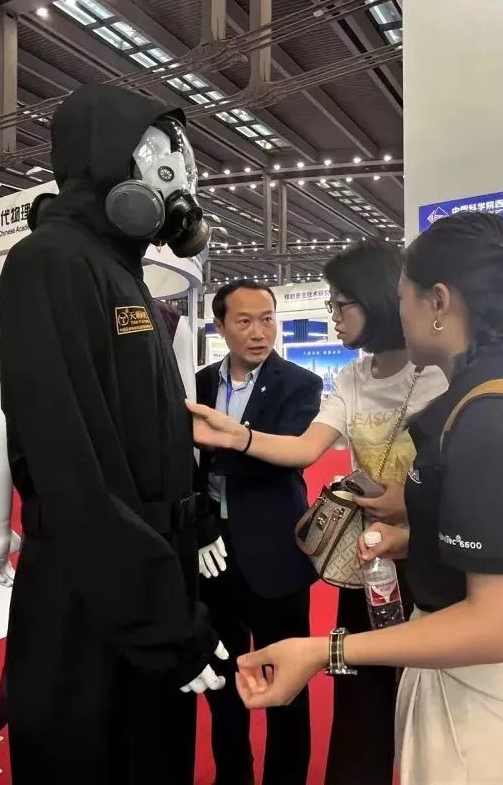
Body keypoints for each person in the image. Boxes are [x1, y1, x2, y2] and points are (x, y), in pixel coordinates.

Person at [230, 212, 503, 784]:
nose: (399, 313)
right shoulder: (485, 402)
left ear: (437, 302)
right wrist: (409, 539)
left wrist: (325, 652)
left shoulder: (490, 421)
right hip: (463, 686)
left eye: (403, 297)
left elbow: (497, 626)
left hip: (484, 710)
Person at [0, 84, 226, 783]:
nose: (179, 183)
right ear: (107, 161)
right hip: (98, 602)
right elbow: (72, 469)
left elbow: (149, 424)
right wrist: (163, 623)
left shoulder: (121, 275)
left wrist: (194, 519)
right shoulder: (50, 262)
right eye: (162, 162)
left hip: (142, 583)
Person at [187, 241, 448, 785]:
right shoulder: (350, 378)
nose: (332, 316)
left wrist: (412, 503)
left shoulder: (442, 377)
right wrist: (240, 437)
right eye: (245, 320)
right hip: (364, 563)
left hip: (431, 560)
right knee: (358, 698)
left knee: (433, 701)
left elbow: (469, 482)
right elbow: (306, 448)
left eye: (340, 304)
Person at [194, 279, 322, 785]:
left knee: (287, 684)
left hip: (275, 553)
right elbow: (185, 464)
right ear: (220, 325)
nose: (259, 332)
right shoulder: (201, 383)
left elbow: (285, 457)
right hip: (212, 553)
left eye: (267, 319)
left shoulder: (299, 384)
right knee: (222, 681)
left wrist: (219, 443)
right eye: (244, 321)